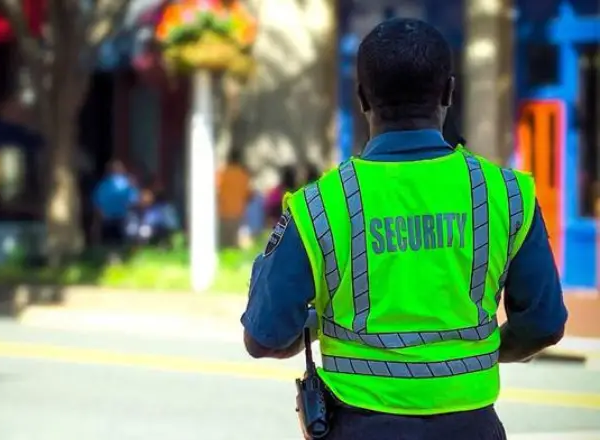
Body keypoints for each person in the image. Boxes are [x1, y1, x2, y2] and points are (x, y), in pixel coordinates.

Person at [240, 18, 567, 440]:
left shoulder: (319, 205)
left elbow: (263, 337)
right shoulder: (507, 194)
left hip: (358, 428)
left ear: (361, 98)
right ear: (449, 91)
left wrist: (318, 323)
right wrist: (475, 355)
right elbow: (544, 324)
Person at [92, 160, 140, 246]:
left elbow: (96, 201)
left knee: (111, 242)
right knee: (118, 241)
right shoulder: (126, 183)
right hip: (118, 216)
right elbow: (134, 200)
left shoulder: (103, 184)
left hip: (112, 217)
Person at [217, 149, 252, 248]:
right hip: (238, 214)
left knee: (223, 244)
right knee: (235, 246)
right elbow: (248, 195)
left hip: (224, 213)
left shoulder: (222, 173)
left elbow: (216, 191)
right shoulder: (243, 175)